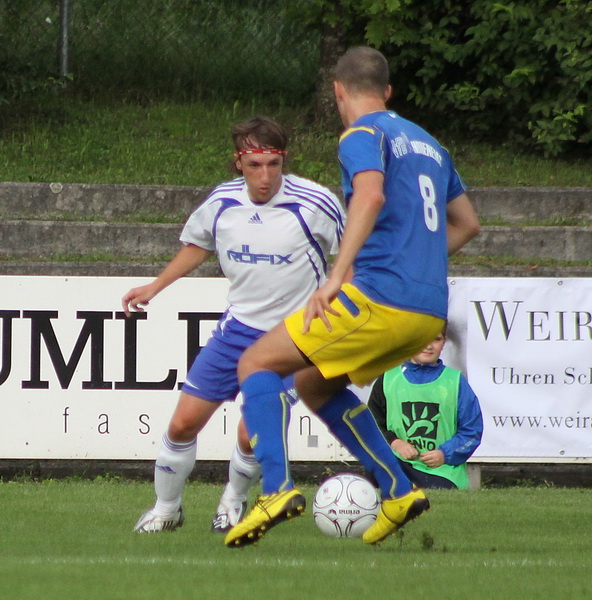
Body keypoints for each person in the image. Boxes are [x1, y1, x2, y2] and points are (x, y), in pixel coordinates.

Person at [224, 46, 480, 548]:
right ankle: (398, 490)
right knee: (314, 384)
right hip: (427, 311)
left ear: (337, 90)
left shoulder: (362, 134)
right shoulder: (431, 145)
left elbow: (370, 194)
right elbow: (467, 223)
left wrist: (337, 275)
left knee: (255, 363)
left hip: (381, 298)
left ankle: (275, 490)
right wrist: (418, 266)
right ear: (388, 91)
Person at [122, 116, 345, 533]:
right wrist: (156, 286)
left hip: (295, 339)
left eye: (274, 164)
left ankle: (233, 500)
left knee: (250, 432)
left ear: (284, 160)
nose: (265, 176)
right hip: (238, 330)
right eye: (255, 165)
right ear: (238, 162)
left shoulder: (315, 202)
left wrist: (338, 297)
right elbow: (198, 245)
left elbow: (351, 254)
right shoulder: (222, 202)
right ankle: (167, 510)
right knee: (183, 424)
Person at [367, 326, 483, 490]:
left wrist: (444, 454)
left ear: (444, 342)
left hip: (441, 471)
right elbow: (370, 423)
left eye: (436, 339)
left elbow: (472, 431)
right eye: (423, 338)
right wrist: (394, 442)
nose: (429, 346)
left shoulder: (455, 382)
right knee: (375, 469)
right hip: (398, 464)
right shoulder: (388, 379)